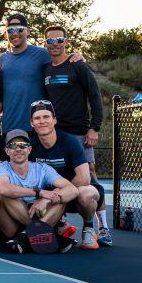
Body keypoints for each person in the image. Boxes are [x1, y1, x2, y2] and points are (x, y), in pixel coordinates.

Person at [28, 100, 106, 248]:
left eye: (46, 117)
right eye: (37, 118)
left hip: (77, 192)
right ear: (32, 123)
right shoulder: (30, 146)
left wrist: (54, 194)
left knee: (86, 194)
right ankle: (60, 225)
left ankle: (88, 228)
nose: (42, 121)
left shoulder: (70, 141)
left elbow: (84, 178)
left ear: (54, 120)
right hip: (53, 196)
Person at [0, 129, 79, 253]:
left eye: (23, 145)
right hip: (12, 225)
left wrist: (46, 200)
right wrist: (39, 193)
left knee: (59, 193)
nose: (18, 149)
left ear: (29, 149)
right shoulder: (0, 167)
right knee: (2, 195)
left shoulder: (42, 168)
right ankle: (41, 234)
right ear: (7, 151)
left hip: (38, 216)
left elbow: (72, 189)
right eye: (13, 146)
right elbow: (3, 189)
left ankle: (26, 236)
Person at [0, 13, 83, 134]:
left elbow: (61, 59)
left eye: (20, 29)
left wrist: (77, 56)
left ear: (28, 31)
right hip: (10, 126)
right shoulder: (2, 59)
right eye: (10, 30)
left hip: (38, 127)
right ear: (5, 34)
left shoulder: (42, 54)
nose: (15, 33)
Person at [41, 25, 102, 167]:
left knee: (89, 170)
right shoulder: (45, 69)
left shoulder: (78, 65)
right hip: (55, 132)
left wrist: (94, 128)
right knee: (61, 171)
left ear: (66, 42)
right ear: (45, 43)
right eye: (50, 41)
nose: (55, 44)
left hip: (78, 133)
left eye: (59, 40)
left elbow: (94, 95)